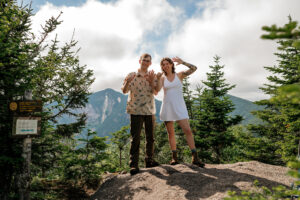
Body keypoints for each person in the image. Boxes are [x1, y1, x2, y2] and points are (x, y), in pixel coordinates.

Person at [156, 56, 205, 167]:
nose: (165, 66)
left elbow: (194, 68)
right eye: (163, 64)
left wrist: (183, 62)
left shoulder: (180, 75)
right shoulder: (162, 78)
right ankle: (174, 158)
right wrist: (158, 78)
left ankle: (195, 157)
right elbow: (157, 90)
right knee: (171, 133)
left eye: (167, 63)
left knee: (187, 130)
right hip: (167, 106)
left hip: (179, 106)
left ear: (172, 64)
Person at [121, 53, 159, 175]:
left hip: (149, 110)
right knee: (135, 138)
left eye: (148, 61)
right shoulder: (131, 75)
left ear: (150, 63)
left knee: (150, 138)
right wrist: (127, 82)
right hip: (135, 110)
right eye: (144, 60)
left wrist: (152, 81)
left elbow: (156, 92)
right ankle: (133, 165)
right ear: (139, 61)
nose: (145, 62)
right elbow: (124, 91)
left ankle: (149, 161)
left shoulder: (152, 75)